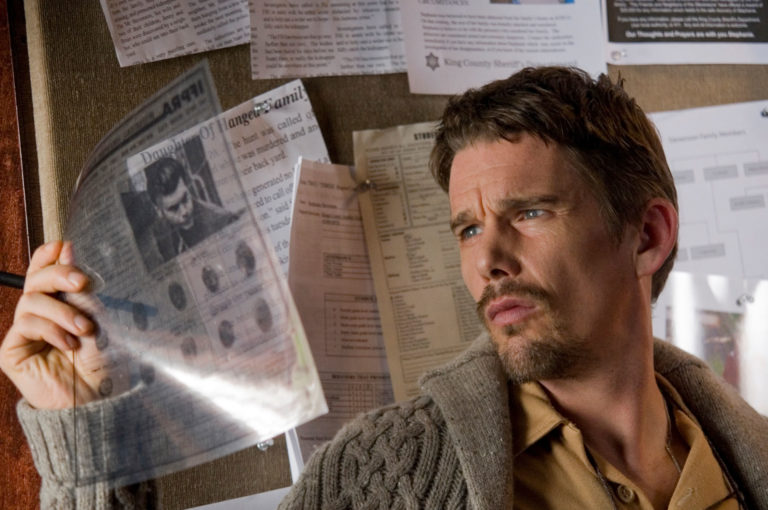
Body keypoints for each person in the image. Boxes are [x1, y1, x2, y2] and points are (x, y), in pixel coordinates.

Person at [0, 67, 766, 509]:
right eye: (467, 228)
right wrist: (85, 447)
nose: (488, 259)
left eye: (529, 213)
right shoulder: (385, 473)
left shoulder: (747, 457)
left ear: (647, 236)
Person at [144, 157, 239, 261]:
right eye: (173, 208)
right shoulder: (158, 233)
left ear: (187, 187)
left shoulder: (222, 220)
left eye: (185, 198)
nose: (184, 212)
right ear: (158, 210)